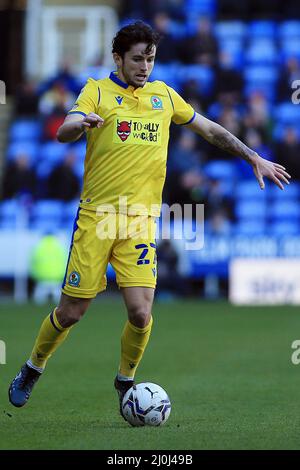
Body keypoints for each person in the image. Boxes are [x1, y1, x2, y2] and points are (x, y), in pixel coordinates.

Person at [8, 21, 291, 416]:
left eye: (151, 59)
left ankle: (125, 379)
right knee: (71, 312)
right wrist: (80, 124)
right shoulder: (97, 91)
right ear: (118, 58)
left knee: (141, 313)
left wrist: (253, 157)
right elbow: (65, 130)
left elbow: (210, 130)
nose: (145, 67)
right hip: (97, 217)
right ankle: (33, 366)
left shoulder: (164, 96)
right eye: (138, 59)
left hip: (140, 221)